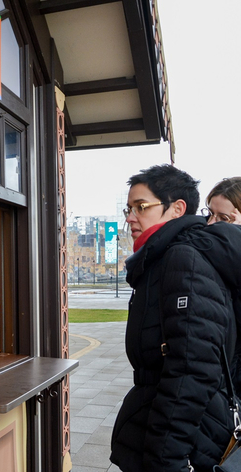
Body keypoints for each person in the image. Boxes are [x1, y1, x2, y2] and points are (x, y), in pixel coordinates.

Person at [110, 164, 241, 472]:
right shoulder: (161, 258)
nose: (130, 217)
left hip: (182, 443)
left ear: (176, 209)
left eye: (141, 207)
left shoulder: (182, 259)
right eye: (128, 208)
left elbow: (193, 371)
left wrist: (166, 459)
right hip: (160, 430)